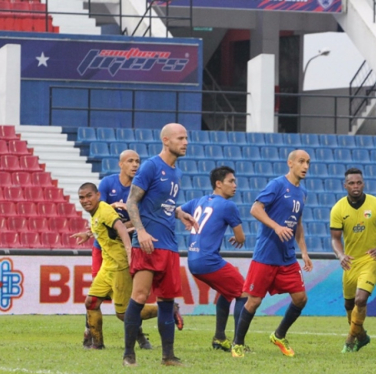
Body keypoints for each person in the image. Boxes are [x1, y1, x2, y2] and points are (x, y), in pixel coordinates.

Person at [123, 123, 198, 367]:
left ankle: (168, 357)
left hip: (169, 244)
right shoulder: (151, 166)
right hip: (148, 243)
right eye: (180, 138)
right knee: (140, 296)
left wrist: (179, 213)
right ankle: (128, 355)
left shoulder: (175, 171)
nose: (185, 142)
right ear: (166, 140)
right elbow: (131, 202)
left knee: (167, 299)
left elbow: (161, 203)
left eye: (186, 138)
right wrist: (141, 232)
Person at [231, 150, 313, 358]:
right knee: (254, 301)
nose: (305, 166)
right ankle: (237, 343)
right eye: (301, 162)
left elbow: (298, 224)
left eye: (308, 162)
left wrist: (304, 251)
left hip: (287, 257)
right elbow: (255, 209)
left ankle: (279, 335)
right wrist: (276, 227)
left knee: (300, 298)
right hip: (266, 255)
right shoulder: (277, 185)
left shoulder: (302, 192)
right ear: (290, 163)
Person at [72, 150, 157, 350]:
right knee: (94, 298)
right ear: (121, 164)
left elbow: (124, 222)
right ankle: (91, 337)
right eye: (130, 161)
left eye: (138, 161)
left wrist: (128, 236)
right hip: (101, 250)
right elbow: (101, 216)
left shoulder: (140, 189)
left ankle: (141, 335)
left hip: (122, 253)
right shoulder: (108, 184)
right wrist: (89, 233)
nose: (135, 165)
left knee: (127, 305)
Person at [175, 166, 249, 351]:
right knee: (245, 293)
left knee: (228, 292)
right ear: (218, 184)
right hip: (208, 260)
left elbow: (176, 210)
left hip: (193, 259)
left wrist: (183, 217)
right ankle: (238, 343)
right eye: (231, 181)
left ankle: (219, 338)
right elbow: (241, 238)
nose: (235, 185)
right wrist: (237, 238)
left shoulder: (199, 201)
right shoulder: (228, 205)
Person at [330, 168, 376, 353]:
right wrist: (340, 255)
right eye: (352, 183)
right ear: (345, 185)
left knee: (360, 299)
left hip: (372, 258)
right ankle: (361, 336)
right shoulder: (338, 208)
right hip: (351, 261)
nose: (356, 186)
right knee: (348, 304)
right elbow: (335, 238)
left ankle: (349, 340)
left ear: (363, 184)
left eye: (359, 183)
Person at [76, 183, 139, 350]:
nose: (85, 200)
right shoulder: (96, 213)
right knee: (91, 303)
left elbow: (121, 228)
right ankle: (97, 344)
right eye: (82, 197)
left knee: (123, 314)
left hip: (119, 266)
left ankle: (167, 309)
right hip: (107, 266)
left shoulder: (104, 210)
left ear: (98, 195)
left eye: (89, 196)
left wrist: (128, 250)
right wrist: (88, 233)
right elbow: (102, 227)